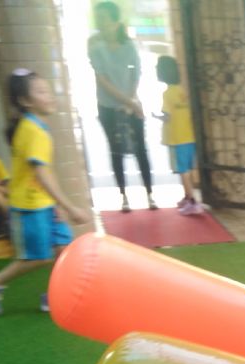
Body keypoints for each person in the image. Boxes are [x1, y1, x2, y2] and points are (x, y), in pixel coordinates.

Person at [0, 69, 88, 316]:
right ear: (25, 101)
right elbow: (41, 174)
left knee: (63, 249)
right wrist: (69, 207)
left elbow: (46, 172)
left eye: (48, 90)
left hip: (43, 202)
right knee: (38, 257)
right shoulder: (34, 131)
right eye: (42, 92)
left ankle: (53, 294)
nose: (49, 95)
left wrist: (55, 204)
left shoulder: (35, 126)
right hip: (29, 207)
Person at [88, 1, 154, 213]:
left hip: (131, 104)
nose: (100, 23)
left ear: (115, 22)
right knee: (116, 150)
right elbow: (103, 80)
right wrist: (129, 102)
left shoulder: (129, 46)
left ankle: (150, 194)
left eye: (104, 18)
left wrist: (131, 100)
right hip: (108, 107)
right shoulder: (94, 45)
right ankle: (124, 197)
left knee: (140, 149)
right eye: (98, 18)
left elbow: (136, 73)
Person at [155, 55, 202, 215]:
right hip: (189, 136)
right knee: (188, 169)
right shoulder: (183, 91)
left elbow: (167, 116)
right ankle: (187, 197)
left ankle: (192, 201)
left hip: (177, 138)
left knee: (183, 171)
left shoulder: (167, 93)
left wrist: (156, 116)